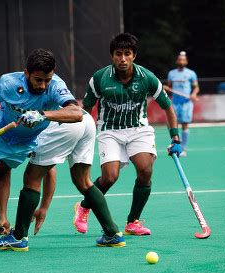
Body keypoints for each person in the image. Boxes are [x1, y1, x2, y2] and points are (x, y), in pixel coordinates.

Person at [0, 48, 82, 232]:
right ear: (26, 73)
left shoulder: (56, 86)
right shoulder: (8, 83)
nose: (43, 86)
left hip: (26, 142)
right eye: (38, 80)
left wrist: (43, 114)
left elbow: (76, 113)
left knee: (2, 170)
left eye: (47, 80)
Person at [73, 33, 181, 237]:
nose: (122, 58)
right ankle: (84, 207)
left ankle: (133, 222)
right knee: (110, 177)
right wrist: (80, 135)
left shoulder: (147, 78)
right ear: (112, 56)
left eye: (127, 54)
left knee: (145, 170)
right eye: (118, 54)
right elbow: (85, 108)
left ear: (134, 55)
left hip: (138, 129)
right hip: (110, 130)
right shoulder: (99, 78)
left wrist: (175, 137)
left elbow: (168, 108)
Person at [0, 112, 126, 251]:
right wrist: (43, 208)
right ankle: (112, 233)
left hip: (61, 124)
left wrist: (43, 207)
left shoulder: (16, 114)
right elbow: (49, 169)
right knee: (83, 181)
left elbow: (48, 170)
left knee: (31, 178)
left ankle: (18, 238)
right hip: (85, 119)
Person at [166, 51, 199, 156]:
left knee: (185, 124)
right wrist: (166, 88)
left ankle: (183, 148)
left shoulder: (191, 73)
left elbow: (196, 87)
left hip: (186, 103)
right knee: (171, 124)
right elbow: (169, 87)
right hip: (175, 103)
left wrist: (193, 94)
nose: (181, 61)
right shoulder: (171, 73)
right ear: (177, 61)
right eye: (179, 59)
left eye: (183, 59)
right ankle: (176, 143)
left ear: (186, 61)